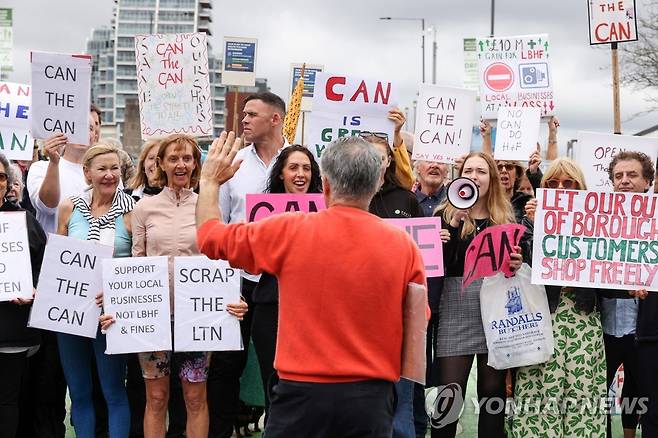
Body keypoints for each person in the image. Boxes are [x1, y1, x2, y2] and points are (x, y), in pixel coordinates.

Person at [196, 133, 427, 438]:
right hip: (369, 397)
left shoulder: (289, 230)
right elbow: (418, 321)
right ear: (375, 184)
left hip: (299, 395)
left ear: (326, 184)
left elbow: (211, 238)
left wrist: (210, 183)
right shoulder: (404, 246)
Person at [110, 134, 246, 438]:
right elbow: (137, 265)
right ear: (161, 164)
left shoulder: (207, 207)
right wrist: (121, 306)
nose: (180, 164)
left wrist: (233, 297)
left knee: (195, 398)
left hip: (197, 319)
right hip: (154, 320)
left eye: (187, 158)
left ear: (196, 164)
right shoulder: (144, 208)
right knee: (156, 398)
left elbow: (219, 261)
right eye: (173, 158)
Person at [511, 158, 606, 437]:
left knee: (583, 395)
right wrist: (532, 224)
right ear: (544, 188)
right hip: (543, 316)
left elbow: (609, 271)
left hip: (583, 318)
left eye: (569, 183)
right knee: (539, 394)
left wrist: (631, 286)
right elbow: (520, 263)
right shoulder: (530, 221)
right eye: (553, 183)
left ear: (581, 188)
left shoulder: (597, 223)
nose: (561, 188)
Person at [211, 91, 287, 438]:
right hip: (239, 279)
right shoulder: (234, 164)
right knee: (227, 363)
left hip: (284, 282)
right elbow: (222, 223)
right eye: (243, 114)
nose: (244, 120)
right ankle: (221, 430)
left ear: (275, 119)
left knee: (281, 365)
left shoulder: (300, 162)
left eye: (252, 114)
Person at [23, 104, 101, 438]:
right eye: (85, 124)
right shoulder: (42, 168)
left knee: (95, 376)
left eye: (96, 125)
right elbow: (48, 204)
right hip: (56, 285)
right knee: (51, 374)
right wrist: (54, 162)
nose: (92, 130)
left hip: (95, 284)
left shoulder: (106, 172)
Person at [433, 152, 523, 438]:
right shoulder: (443, 215)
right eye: (468, 170)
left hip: (494, 309)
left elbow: (514, 272)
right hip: (456, 307)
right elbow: (437, 268)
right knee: (450, 393)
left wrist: (517, 263)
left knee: (492, 394)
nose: (474, 176)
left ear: (491, 179)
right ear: (459, 177)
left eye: (481, 171)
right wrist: (453, 224)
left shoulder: (505, 218)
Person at [55, 144, 134, 438]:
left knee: (113, 390)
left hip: (111, 315)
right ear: (87, 173)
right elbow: (57, 258)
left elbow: (141, 265)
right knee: (79, 392)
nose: (109, 175)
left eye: (115, 168)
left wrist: (115, 292)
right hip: (71, 312)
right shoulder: (69, 207)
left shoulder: (132, 212)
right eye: (102, 168)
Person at [250, 145, 322, 418]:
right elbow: (253, 260)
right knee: (274, 385)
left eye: (306, 168)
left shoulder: (327, 211)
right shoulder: (263, 210)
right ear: (281, 174)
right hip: (272, 307)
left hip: (314, 311)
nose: (300, 174)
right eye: (293, 167)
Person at [364, 133, 423, 438]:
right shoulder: (348, 199)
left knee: (401, 402)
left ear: (389, 161)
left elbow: (424, 258)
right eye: (369, 156)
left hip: (400, 314)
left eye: (381, 157)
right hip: (359, 314)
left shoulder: (406, 199)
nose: (375, 162)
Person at [599, 151, 654, 438]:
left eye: (632, 175)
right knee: (598, 398)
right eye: (618, 176)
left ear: (647, 181)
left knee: (644, 393)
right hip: (603, 325)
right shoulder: (595, 218)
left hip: (643, 327)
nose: (624, 181)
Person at [0, 153, 47, 438]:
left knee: (6, 402)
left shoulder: (24, 221)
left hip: (11, 329)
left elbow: (46, 267)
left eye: (1, 176)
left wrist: (34, 288)